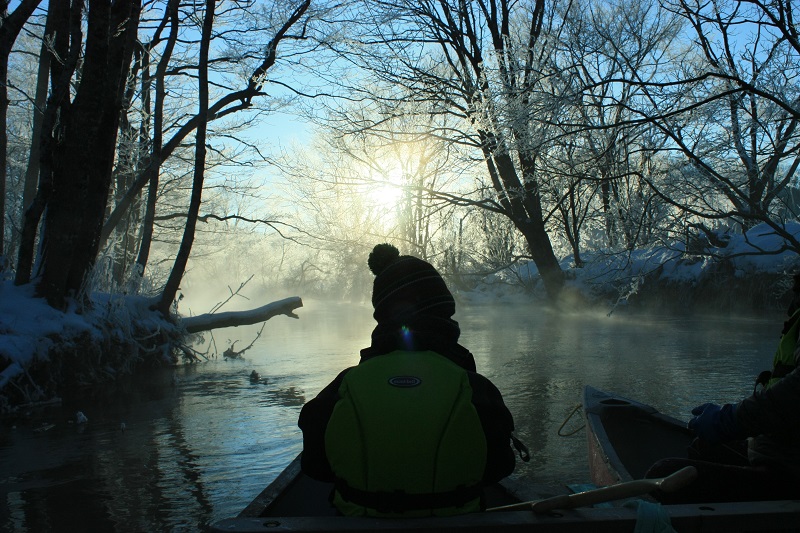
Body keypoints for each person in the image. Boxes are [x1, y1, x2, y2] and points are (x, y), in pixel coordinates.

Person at [298, 243, 526, 517]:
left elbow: (314, 466)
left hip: (359, 524)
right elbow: (499, 467)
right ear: (444, 313)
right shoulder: (473, 385)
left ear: (383, 316)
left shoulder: (346, 383)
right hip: (458, 524)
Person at [646, 273, 800, 503]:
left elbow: (791, 398)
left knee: (663, 475)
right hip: (777, 452)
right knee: (703, 446)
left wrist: (730, 419)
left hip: (789, 470)